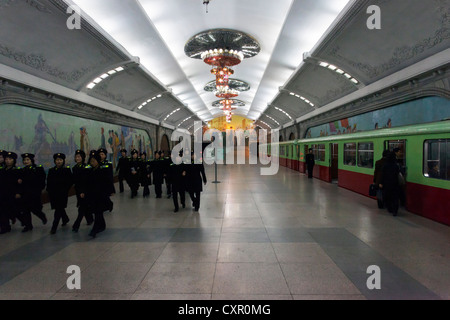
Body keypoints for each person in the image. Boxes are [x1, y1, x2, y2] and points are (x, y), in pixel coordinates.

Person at [19, 153, 47, 232]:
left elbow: (42, 179)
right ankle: (28, 226)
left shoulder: (38, 169)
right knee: (26, 210)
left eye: (28, 160)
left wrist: (40, 188)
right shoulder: (23, 170)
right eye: (24, 160)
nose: (26, 161)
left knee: (35, 209)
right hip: (25, 193)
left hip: (34, 193)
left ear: (31, 160)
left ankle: (42, 216)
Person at [85, 151, 110, 238]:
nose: (93, 163)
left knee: (98, 212)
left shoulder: (102, 170)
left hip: (101, 196)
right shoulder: (89, 171)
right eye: (91, 161)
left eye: (94, 161)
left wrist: (108, 193)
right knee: (97, 212)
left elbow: (107, 182)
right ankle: (102, 225)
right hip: (93, 196)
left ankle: (94, 230)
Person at [46, 153, 73, 234]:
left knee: (58, 209)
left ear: (63, 161)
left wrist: (65, 189)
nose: (59, 162)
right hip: (53, 194)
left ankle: (54, 226)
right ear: (55, 161)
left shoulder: (66, 170)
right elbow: (49, 181)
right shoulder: (51, 170)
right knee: (59, 208)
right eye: (57, 160)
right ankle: (65, 218)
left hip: (62, 193)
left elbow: (70, 181)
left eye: (60, 160)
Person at [71, 150, 94, 232]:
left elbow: (86, 180)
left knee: (82, 208)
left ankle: (76, 225)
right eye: (76, 157)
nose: (77, 158)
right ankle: (90, 219)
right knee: (85, 206)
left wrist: (83, 191)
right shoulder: (74, 168)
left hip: (85, 191)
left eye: (79, 157)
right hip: (78, 191)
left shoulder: (87, 167)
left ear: (83, 158)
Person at [0, 152, 22, 234]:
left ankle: (25, 222)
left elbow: (19, 184)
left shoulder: (16, 170)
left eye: (10, 159)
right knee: (2, 211)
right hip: (3, 194)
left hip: (11, 194)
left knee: (13, 210)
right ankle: (5, 227)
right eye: (6, 159)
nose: (7, 161)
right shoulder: (3, 170)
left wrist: (18, 192)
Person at [379, 152, 400, 216]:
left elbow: (382, 175)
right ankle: (395, 211)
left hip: (386, 184)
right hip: (395, 184)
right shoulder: (396, 165)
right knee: (395, 198)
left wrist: (381, 183)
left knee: (388, 197)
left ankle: (390, 208)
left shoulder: (385, 165)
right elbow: (398, 174)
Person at [98, 148, 114, 212]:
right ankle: (104, 207)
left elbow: (110, 175)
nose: (101, 156)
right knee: (102, 196)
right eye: (100, 154)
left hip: (106, 183)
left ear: (105, 155)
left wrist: (111, 187)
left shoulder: (108, 163)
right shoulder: (97, 163)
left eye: (102, 154)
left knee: (105, 196)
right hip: (99, 183)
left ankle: (110, 204)